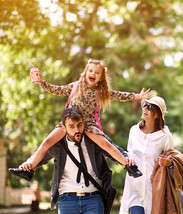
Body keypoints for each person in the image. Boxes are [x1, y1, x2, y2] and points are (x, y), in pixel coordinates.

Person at [23, 59, 151, 174]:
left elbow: (118, 95)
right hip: (69, 122)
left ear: (101, 77)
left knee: (105, 144)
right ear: (85, 72)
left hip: (88, 123)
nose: (93, 74)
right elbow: (57, 89)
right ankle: (29, 168)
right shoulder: (75, 86)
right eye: (90, 71)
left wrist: (138, 96)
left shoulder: (100, 92)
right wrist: (41, 82)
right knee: (48, 142)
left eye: (97, 72)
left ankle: (128, 165)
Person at [21, 108, 126, 214]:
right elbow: (39, 156)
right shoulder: (58, 146)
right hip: (67, 200)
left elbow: (113, 149)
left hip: (93, 199)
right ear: (63, 128)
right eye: (71, 126)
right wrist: (28, 164)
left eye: (79, 125)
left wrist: (128, 160)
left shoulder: (94, 141)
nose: (77, 130)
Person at [119, 96, 173, 214]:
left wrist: (167, 162)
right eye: (144, 105)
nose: (144, 108)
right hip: (135, 189)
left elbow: (171, 158)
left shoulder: (165, 135)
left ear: (157, 114)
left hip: (154, 191)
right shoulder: (134, 131)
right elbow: (129, 151)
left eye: (149, 107)